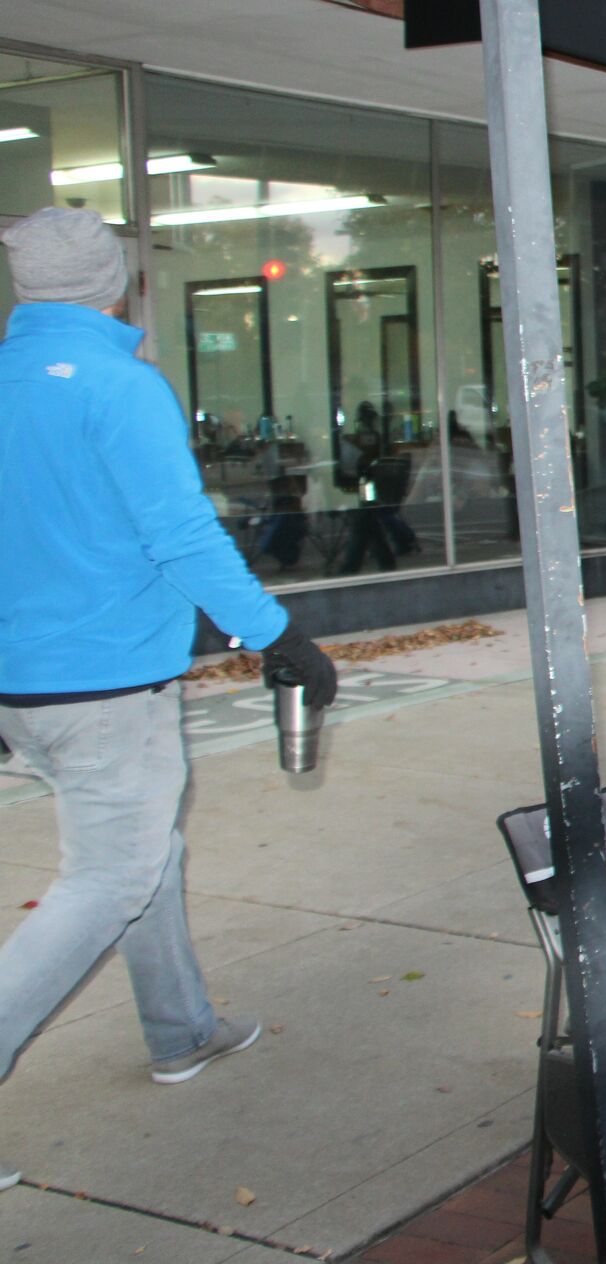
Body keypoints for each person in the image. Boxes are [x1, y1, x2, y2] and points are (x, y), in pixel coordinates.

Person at [0, 209, 339, 1190]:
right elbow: (181, 535)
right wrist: (278, 635)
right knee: (108, 877)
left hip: (24, 686)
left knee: (148, 851)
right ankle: (175, 1027)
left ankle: (180, 1026)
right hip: (106, 685)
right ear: (118, 284)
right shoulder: (121, 385)